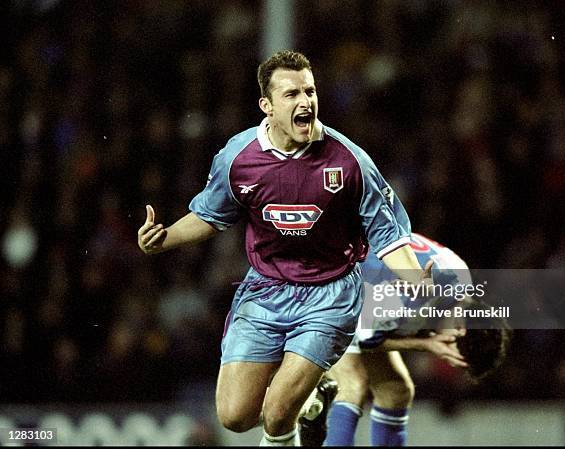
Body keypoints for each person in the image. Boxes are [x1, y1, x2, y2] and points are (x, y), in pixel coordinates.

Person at [137, 50, 431, 446]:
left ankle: (293, 415)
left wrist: (416, 280)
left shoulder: (350, 163)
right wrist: (164, 238)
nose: (305, 101)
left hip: (330, 296)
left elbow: (388, 234)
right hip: (265, 289)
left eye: (309, 91)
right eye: (291, 94)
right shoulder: (238, 159)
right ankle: (312, 401)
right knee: (235, 416)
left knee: (277, 415)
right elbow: (212, 215)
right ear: (267, 106)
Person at [321, 233, 512, 446]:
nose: (443, 356)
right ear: (460, 330)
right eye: (449, 352)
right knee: (352, 384)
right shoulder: (406, 300)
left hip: (355, 276)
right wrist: (422, 344)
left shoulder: (460, 276)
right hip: (320, 281)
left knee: (396, 391)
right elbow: (357, 339)